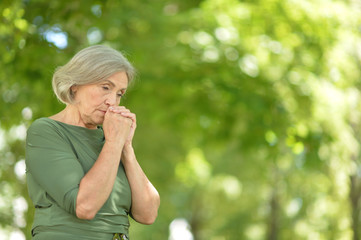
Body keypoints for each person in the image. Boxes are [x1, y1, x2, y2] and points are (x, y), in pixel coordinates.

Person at [25, 45, 160, 240]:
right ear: (75, 86)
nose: (112, 101)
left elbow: (148, 214)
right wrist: (114, 143)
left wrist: (126, 147)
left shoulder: (111, 139)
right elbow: (85, 206)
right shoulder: (46, 131)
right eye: (106, 87)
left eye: (119, 94)